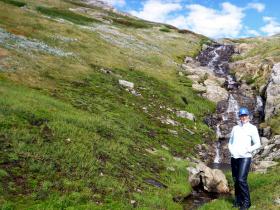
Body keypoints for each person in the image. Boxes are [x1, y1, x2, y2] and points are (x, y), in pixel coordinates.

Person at [228, 107, 261, 210]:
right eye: (241, 116)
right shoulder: (235, 128)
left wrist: (248, 149)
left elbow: (258, 144)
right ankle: (238, 201)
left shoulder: (252, 128)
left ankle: (247, 203)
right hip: (234, 157)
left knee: (241, 179)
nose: (243, 117)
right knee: (236, 180)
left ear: (248, 116)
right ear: (239, 117)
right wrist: (231, 150)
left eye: (245, 115)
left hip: (245, 157)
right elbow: (230, 142)